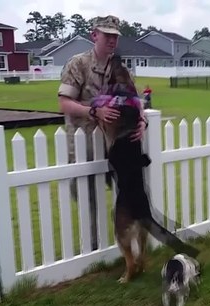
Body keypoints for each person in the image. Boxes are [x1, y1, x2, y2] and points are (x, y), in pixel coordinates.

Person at [57, 15, 147, 250]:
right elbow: (64, 103)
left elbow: (135, 103)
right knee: (88, 201)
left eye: (115, 36)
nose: (112, 40)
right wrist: (94, 112)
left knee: (127, 194)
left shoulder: (121, 68)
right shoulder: (78, 64)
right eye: (107, 35)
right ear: (94, 34)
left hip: (117, 146)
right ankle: (93, 251)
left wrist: (142, 122)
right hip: (85, 142)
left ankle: (130, 246)